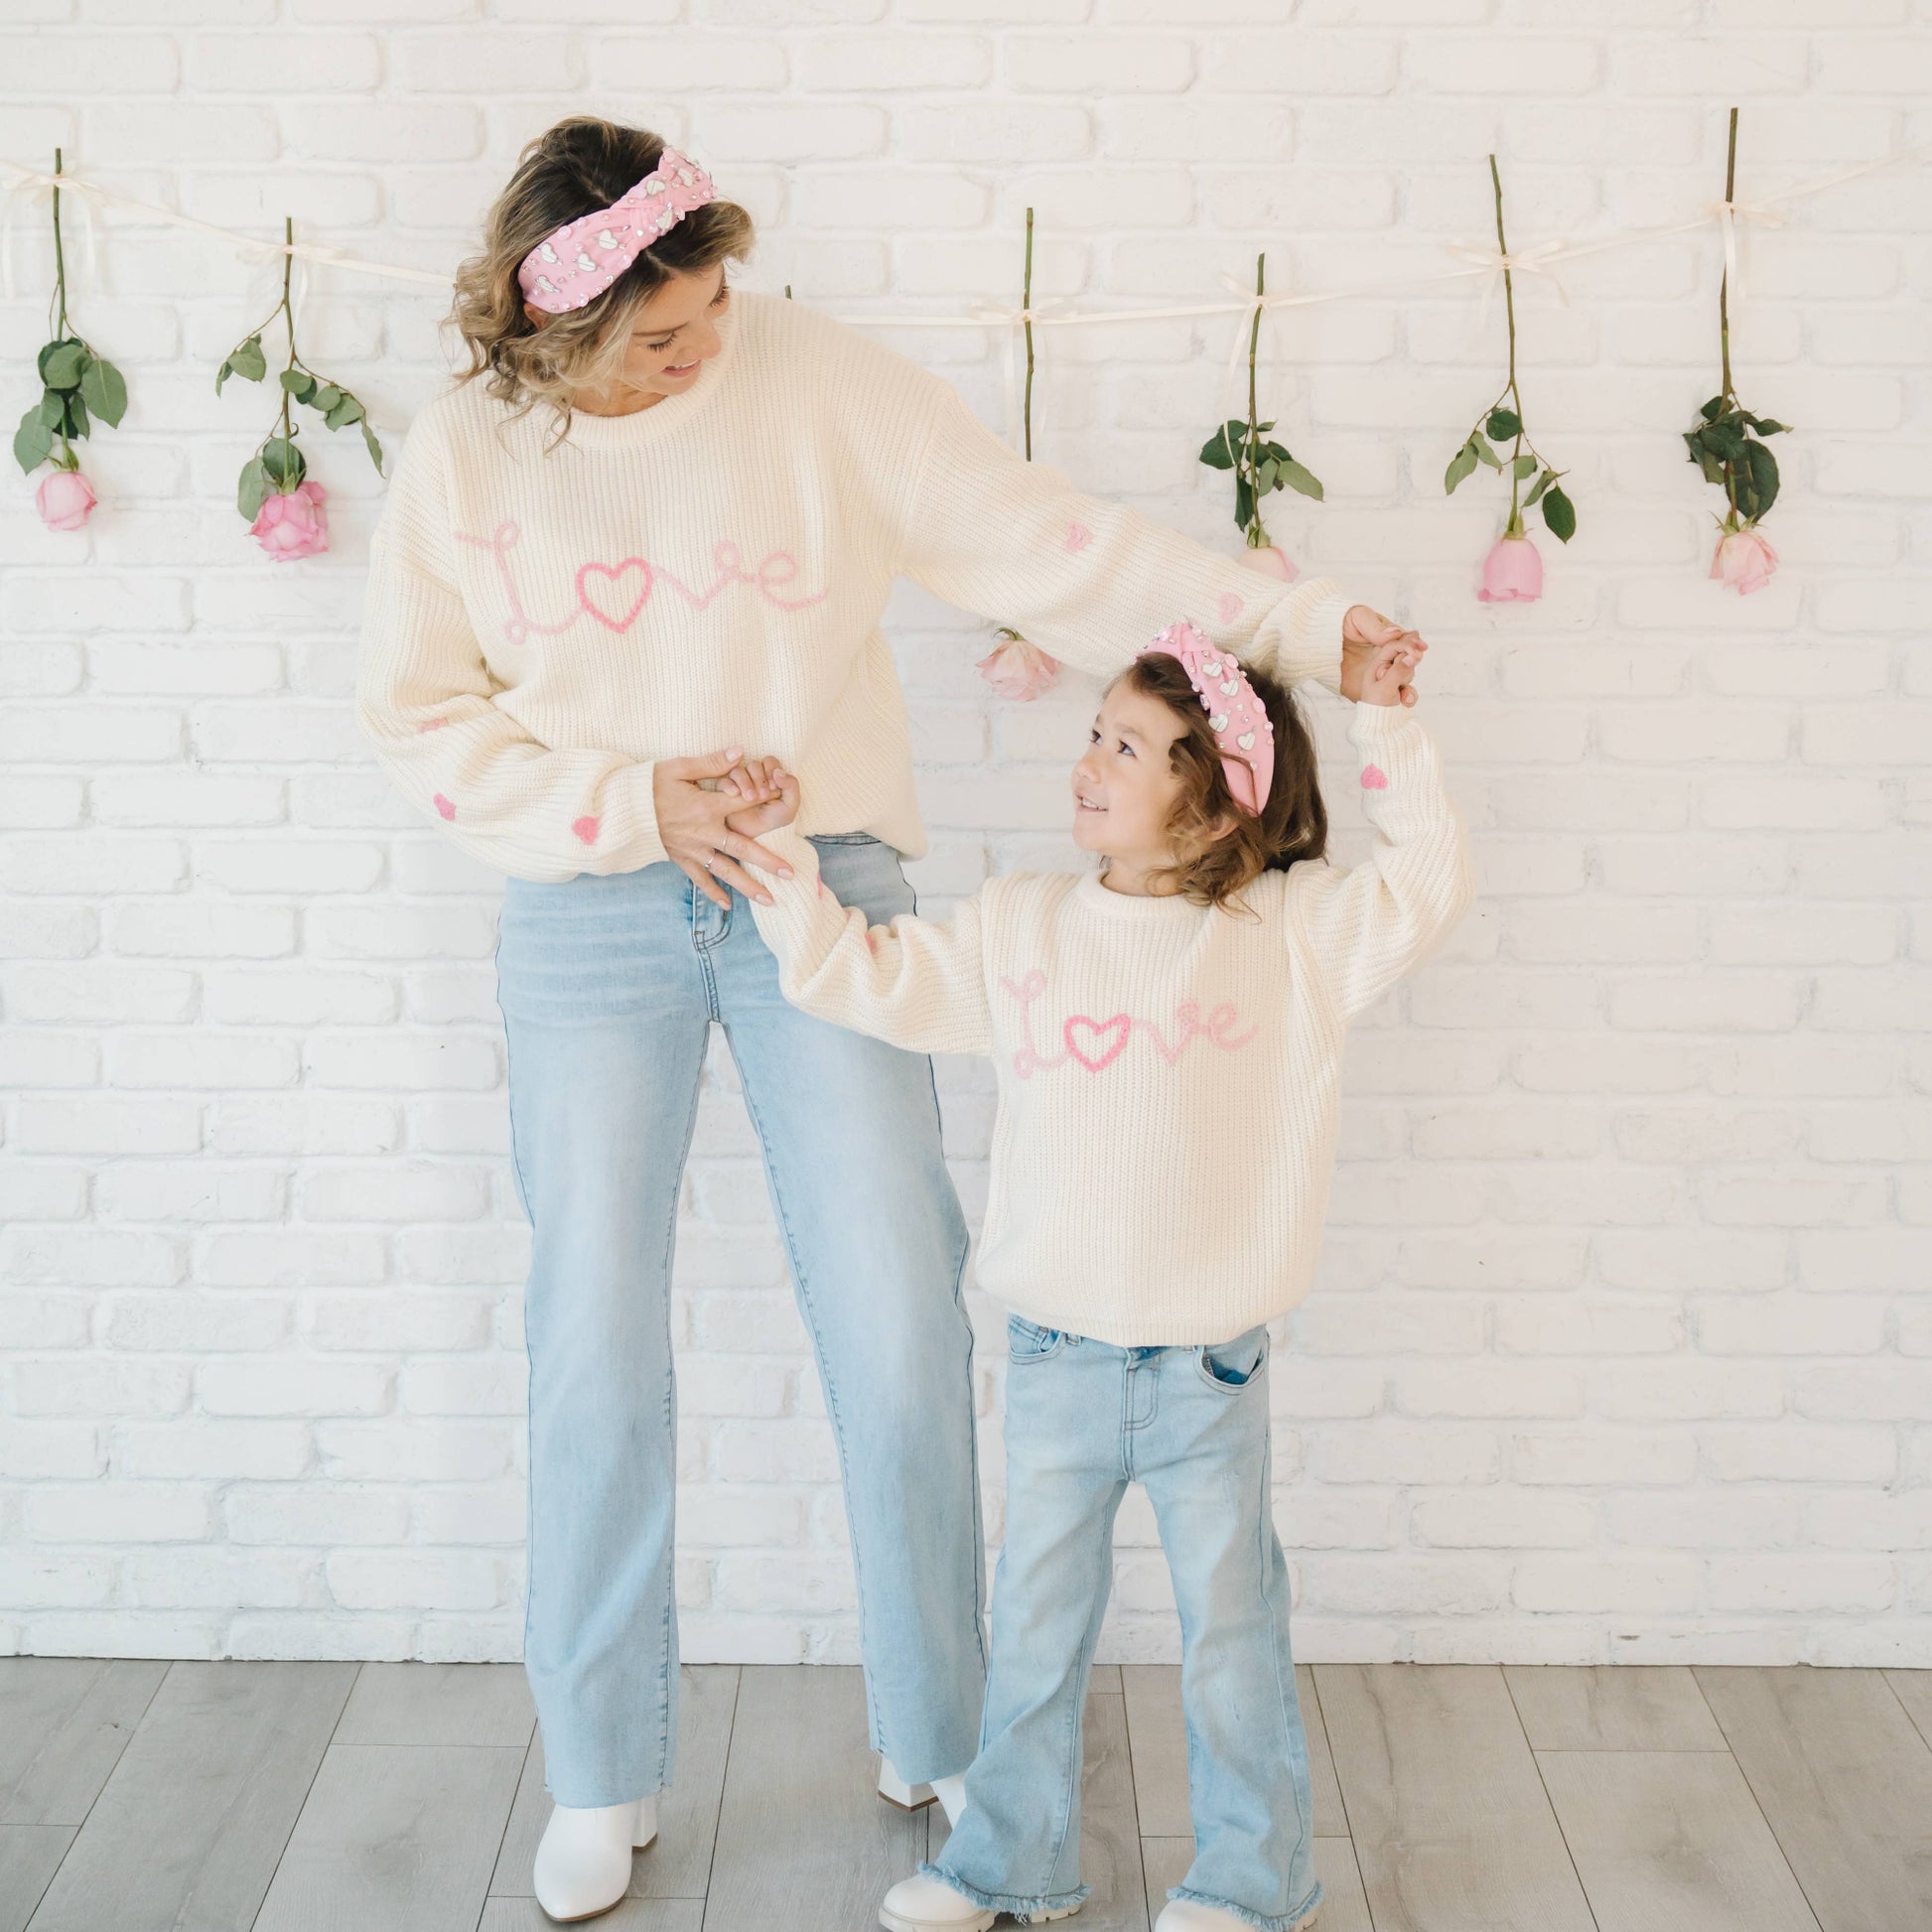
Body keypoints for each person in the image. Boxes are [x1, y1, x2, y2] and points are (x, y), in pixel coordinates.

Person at [353, 113, 1421, 1925]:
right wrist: (634, 803)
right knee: (590, 1336)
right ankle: (602, 1763)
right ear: (558, 336)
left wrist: (1306, 626)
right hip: (589, 911)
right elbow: (423, 720)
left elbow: (1050, 548)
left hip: (822, 886)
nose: (709, 348)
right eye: (665, 336)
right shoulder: (463, 459)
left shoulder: (809, 383)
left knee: (896, 1309)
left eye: (712, 309)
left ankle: (942, 1733)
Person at [722, 621, 1476, 1932]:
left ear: (1210, 793)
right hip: (1059, 1355)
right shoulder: (1022, 926)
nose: (1085, 763)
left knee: (1230, 1634)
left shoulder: (1288, 935)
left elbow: (1426, 881)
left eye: (1123, 745)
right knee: (1032, 1634)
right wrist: (781, 870)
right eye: (1091, 733)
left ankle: (1252, 1878)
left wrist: (1388, 724)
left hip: (1207, 1364)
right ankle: (1005, 1859)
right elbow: (871, 979)